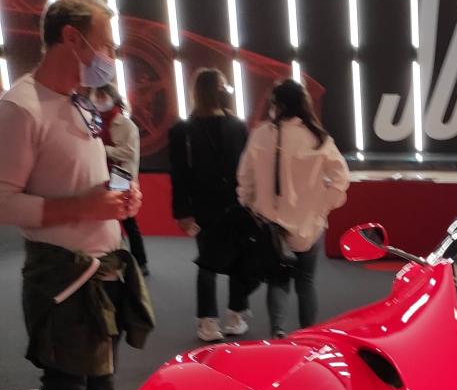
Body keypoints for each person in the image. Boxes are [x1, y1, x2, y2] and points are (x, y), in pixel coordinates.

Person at [0, 0, 151, 390]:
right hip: (61, 275)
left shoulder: (80, 102)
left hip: (103, 267)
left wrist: (119, 196)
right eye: (105, 42)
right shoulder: (22, 107)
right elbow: (3, 201)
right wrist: (86, 207)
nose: (109, 54)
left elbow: (89, 171)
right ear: (72, 37)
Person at [237, 78, 349, 338]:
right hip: (309, 224)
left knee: (277, 280)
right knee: (306, 282)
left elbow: (245, 177)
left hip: (270, 226)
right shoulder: (318, 138)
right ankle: (308, 336)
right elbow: (341, 178)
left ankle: (278, 333)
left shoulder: (260, 135)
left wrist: (251, 206)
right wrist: (323, 206)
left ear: (275, 104)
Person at [168, 67, 251, 342]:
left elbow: (247, 168)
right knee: (208, 262)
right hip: (204, 206)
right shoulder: (182, 131)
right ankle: (207, 319)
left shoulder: (238, 126)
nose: (225, 90)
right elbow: (179, 174)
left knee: (239, 259)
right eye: (222, 85)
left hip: (236, 203)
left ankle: (235, 313)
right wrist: (183, 212)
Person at [90, 80, 148, 275]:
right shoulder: (94, 121)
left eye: (103, 96)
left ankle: (141, 262)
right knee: (107, 221)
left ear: (113, 98)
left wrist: (103, 150)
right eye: (97, 96)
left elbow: (129, 152)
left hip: (121, 177)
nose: (100, 100)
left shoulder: (127, 125)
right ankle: (115, 261)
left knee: (128, 222)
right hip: (100, 175)